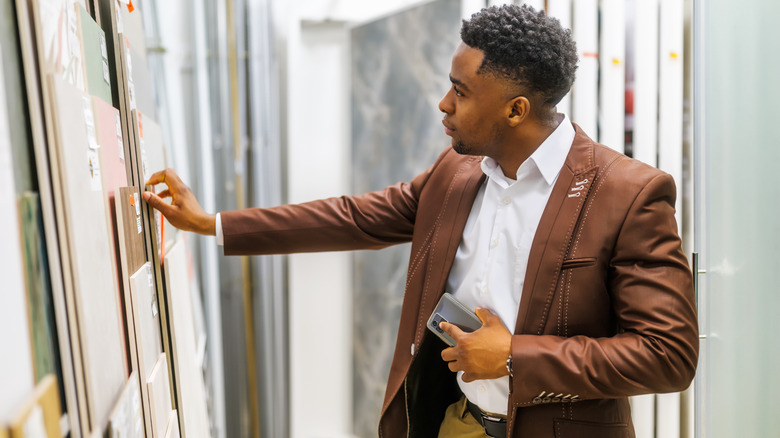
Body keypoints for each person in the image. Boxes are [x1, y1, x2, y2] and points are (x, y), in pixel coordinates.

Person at [143, 5, 698, 438]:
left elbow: (667, 355)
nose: (443, 104)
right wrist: (212, 223)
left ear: (516, 110)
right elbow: (355, 217)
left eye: (460, 92)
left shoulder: (628, 193)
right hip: (455, 421)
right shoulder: (455, 172)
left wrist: (512, 356)